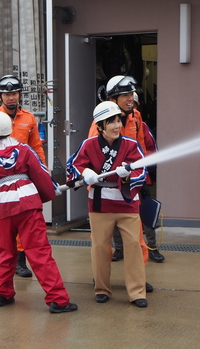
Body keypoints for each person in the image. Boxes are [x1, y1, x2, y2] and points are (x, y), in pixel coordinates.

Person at [0, 111, 77, 314]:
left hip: (3, 209)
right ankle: (58, 299)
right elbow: (40, 174)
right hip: (27, 205)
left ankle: (2, 294)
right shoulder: (24, 150)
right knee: (39, 252)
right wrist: (49, 193)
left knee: (5, 251)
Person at [67, 101, 149, 308]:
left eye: (118, 120)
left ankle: (137, 292)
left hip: (127, 203)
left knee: (133, 246)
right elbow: (74, 165)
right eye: (110, 122)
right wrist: (86, 173)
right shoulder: (88, 145)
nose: (116, 125)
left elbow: (142, 170)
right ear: (100, 126)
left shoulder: (131, 145)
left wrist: (128, 175)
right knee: (100, 247)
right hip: (99, 203)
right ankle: (102, 289)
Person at [0, 74, 45, 278]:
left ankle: (20, 261)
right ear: (0, 96)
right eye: (7, 94)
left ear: (20, 94)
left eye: (14, 93)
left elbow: (36, 148)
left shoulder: (29, 118)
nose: (11, 98)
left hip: (22, 177)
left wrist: (43, 172)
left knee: (24, 216)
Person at [109, 90, 165, 263]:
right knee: (117, 214)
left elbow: (151, 149)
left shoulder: (141, 124)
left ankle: (153, 247)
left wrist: (144, 170)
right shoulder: (113, 124)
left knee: (146, 214)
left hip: (140, 176)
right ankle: (119, 249)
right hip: (118, 177)